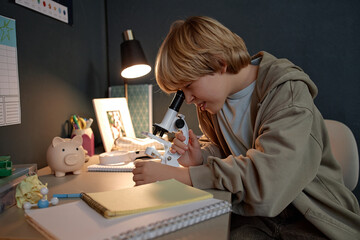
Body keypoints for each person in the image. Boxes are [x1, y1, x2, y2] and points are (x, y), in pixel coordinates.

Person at [132, 16, 360, 239]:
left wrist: (181, 176)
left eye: (189, 86)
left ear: (219, 64)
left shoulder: (287, 94)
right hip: (257, 216)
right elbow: (233, 151)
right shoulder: (215, 104)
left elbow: (269, 184)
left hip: (310, 217)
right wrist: (201, 156)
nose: (189, 100)